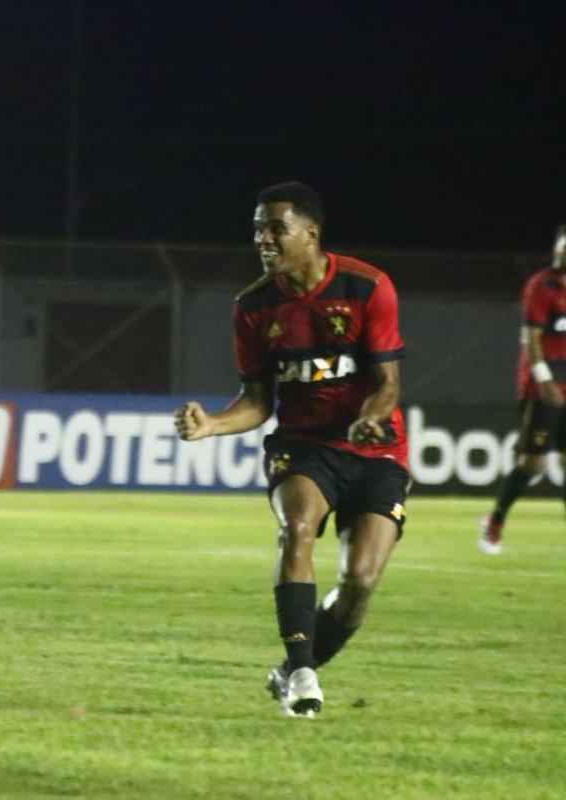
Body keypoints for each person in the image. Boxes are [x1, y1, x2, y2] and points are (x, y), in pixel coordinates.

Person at [175, 181, 409, 718]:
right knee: (297, 526)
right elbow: (257, 401)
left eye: (275, 228)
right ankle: (303, 674)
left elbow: (388, 382)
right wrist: (211, 425)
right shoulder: (253, 308)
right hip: (304, 447)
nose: (263, 238)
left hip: (375, 449)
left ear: (311, 233)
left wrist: (372, 418)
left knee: (360, 583)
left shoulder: (368, 288)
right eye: (258, 228)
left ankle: (290, 671)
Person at [479, 224, 566, 555]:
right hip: (542, 386)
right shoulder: (541, 286)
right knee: (534, 464)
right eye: (562, 247)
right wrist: (544, 380)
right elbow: (531, 340)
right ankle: (495, 520)